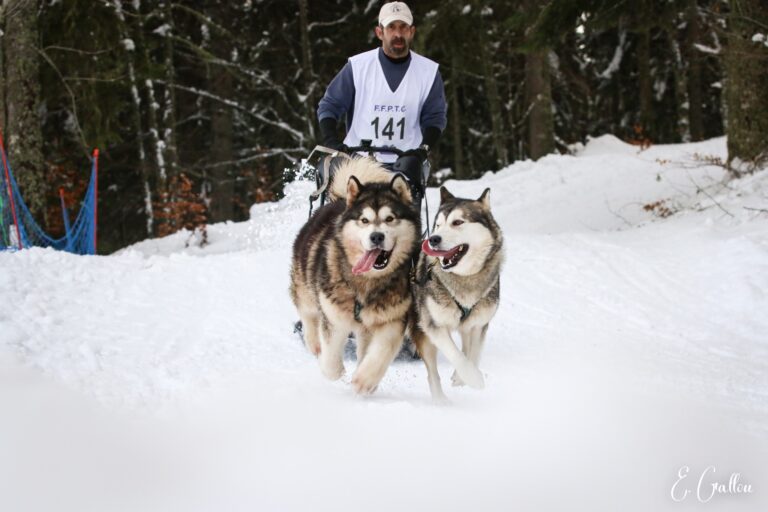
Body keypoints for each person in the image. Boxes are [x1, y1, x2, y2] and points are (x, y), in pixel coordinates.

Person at [316, 1, 447, 207]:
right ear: (380, 32)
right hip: (358, 158)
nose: (398, 34)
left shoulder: (428, 73)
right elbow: (329, 105)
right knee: (340, 189)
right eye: (391, 27)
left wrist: (423, 149)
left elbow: (435, 118)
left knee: (402, 204)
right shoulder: (358, 67)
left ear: (411, 32)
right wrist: (332, 142)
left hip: (404, 160)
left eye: (403, 27)